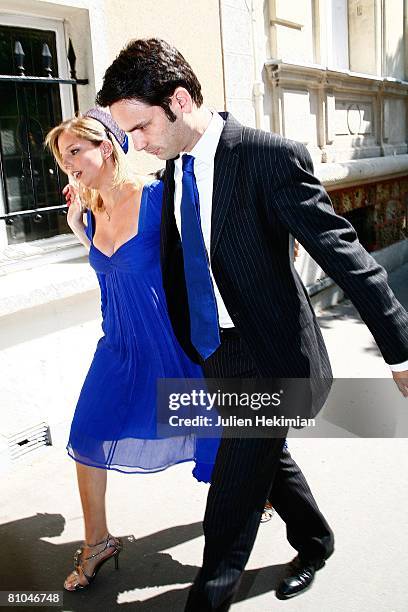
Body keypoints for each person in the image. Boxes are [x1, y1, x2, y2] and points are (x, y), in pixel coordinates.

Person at [96, 38, 408, 610]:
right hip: (218, 351)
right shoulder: (172, 171)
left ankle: (209, 596)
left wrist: (400, 350)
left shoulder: (268, 156)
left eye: (139, 128)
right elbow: (177, 260)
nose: (135, 144)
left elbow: (345, 254)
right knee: (268, 455)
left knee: (233, 496)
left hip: (273, 355)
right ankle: (316, 541)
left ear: (180, 101)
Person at [45, 109, 220, 591]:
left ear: (106, 146)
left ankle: (259, 487)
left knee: (214, 427)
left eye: (74, 151)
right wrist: (78, 227)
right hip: (119, 345)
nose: (68, 164)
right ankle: (97, 539)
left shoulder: (159, 199)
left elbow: (202, 256)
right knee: (86, 435)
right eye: (63, 158)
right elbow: (110, 272)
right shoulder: (89, 208)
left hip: (169, 340)